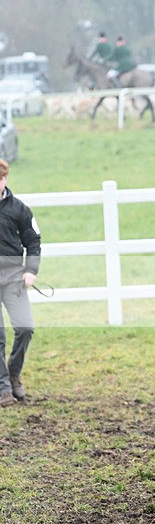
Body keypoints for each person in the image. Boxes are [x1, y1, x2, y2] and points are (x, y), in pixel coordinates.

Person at [0, 159, 41, 406]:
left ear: (5, 179)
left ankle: (13, 374)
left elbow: (33, 241)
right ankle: (3, 387)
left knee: (25, 328)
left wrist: (31, 270)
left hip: (14, 278)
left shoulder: (19, 210)